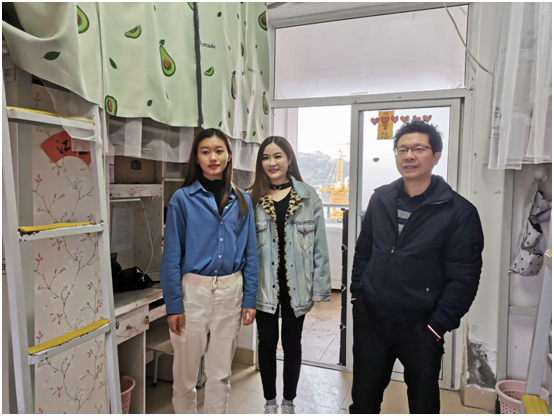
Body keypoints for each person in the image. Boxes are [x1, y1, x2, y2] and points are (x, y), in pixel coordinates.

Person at [349, 120, 484, 414]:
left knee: (423, 404)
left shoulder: (458, 212)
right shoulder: (381, 199)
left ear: (436, 156)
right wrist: (358, 295)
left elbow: (464, 277)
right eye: (402, 150)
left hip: (421, 326)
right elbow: (364, 250)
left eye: (418, 149)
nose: (408, 156)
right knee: (363, 399)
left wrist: (436, 326)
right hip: (372, 319)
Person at [160, 128, 258, 414]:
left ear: (229, 156)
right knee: (185, 375)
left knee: (220, 374)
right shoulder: (182, 199)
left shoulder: (243, 200)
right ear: (197, 158)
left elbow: (250, 253)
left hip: (231, 290)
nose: (213, 157)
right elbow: (171, 256)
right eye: (205, 152)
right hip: (193, 290)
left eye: (219, 151)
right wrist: (173, 305)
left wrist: (249, 298)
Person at [249, 136, 332, 414]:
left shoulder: (308, 196)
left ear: (289, 159)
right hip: (264, 286)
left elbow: (320, 247)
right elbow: (245, 250)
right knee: (266, 344)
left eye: (278, 156)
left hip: (297, 285)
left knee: (292, 344)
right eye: (265, 157)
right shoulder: (252, 198)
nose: (272, 163)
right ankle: (269, 402)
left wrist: (320, 288)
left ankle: (288, 402)